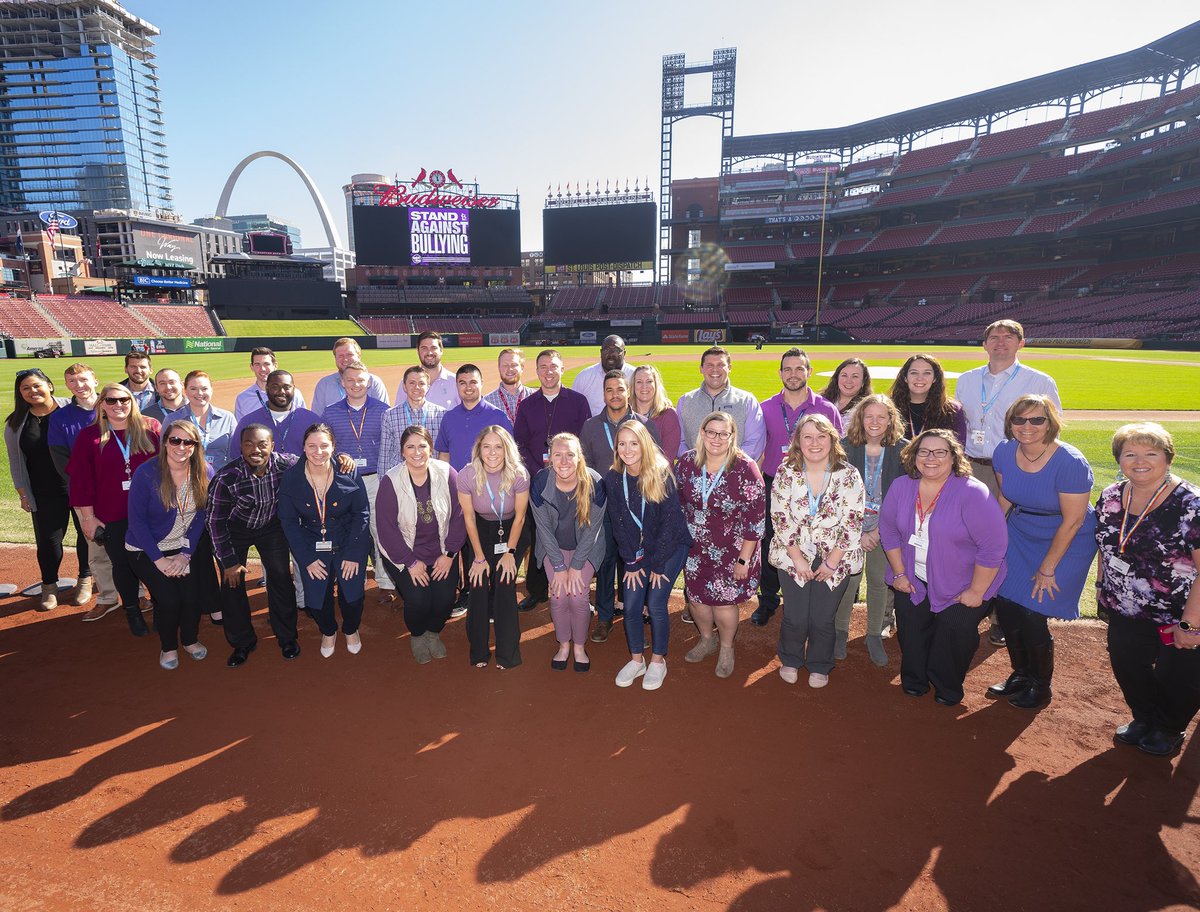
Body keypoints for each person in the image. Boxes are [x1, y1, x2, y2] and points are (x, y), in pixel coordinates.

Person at [879, 429, 1008, 706]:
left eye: (940, 452)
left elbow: (993, 547)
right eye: (924, 451)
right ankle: (914, 678)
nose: (931, 458)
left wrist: (976, 590)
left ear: (953, 457)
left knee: (953, 629)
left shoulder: (972, 492)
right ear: (914, 457)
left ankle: (946, 684)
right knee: (911, 627)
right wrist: (900, 573)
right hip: (914, 575)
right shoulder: (902, 487)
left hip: (965, 581)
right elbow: (888, 531)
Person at [208, 424, 355, 666]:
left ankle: (286, 636)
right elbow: (215, 522)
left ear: (272, 447)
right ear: (240, 447)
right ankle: (242, 642)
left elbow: (317, 458)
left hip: (270, 528)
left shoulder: (286, 464)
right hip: (235, 531)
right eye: (249, 444)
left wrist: (343, 459)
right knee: (232, 583)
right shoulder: (227, 478)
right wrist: (228, 561)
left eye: (262, 444)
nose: (256, 450)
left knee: (280, 578)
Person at [1095, 422, 1200, 757]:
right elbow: (1107, 546)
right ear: (1120, 459)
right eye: (1130, 454)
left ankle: (1170, 727)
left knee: (1178, 675)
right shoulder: (1112, 495)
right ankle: (1144, 717)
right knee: (1127, 663)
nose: (1139, 461)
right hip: (1125, 605)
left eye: (1150, 453)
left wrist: (1191, 624)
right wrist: (1102, 587)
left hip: (1178, 612)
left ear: (1167, 459)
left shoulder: (1190, 505)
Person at [957, 320, 1062, 647]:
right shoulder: (966, 380)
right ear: (984, 343)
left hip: (1015, 470)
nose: (1000, 342)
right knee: (966, 538)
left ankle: (1001, 615)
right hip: (970, 467)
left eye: (1008, 337)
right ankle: (967, 602)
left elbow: (1054, 432)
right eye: (994, 337)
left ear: (1021, 343)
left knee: (1006, 541)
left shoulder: (1039, 381)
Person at [988, 395, 1096, 709]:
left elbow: (1074, 520)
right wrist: (992, 541)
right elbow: (1005, 498)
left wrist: (1047, 567)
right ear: (1010, 423)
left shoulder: (1070, 461)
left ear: (1051, 423)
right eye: (1020, 420)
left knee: (1032, 611)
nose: (1027, 426)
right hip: (1021, 530)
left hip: (1066, 537)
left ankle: (1040, 684)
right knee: (1006, 604)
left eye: (1037, 419)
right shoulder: (1005, 452)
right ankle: (1020, 674)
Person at [769, 414, 865, 688]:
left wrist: (833, 561)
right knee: (796, 616)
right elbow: (780, 516)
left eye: (821, 436)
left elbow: (853, 519)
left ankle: (820, 664)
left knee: (822, 618)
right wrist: (797, 558)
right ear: (798, 441)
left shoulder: (848, 474)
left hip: (835, 556)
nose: (814, 443)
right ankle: (790, 659)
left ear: (832, 440)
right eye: (807, 436)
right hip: (793, 554)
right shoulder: (786, 472)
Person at [752, 347, 844, 629]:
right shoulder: (765, 407)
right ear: (780, 373)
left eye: (799, 368)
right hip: (775, 486)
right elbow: (757, 449)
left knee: (815, 540)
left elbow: (838, 450)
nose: (793, 374)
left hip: (816, 485)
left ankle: (809, 597)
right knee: (772, 541)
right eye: (787, 369)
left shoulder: (826, 408)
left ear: (809, 372)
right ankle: (768, 600)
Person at [67, 382, 162, 636]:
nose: (119, 405)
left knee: (155, 561)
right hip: (112, 514)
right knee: (122, 564)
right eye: (111, 401)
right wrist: (88, 517)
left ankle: (162, 607)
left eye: (124, 400)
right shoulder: (90, 436)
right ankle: (132, 610)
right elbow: (81, 480)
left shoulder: (150, 428)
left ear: (132, 402)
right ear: (102, 405)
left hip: (151, 512)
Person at [676, 411, 766, 679]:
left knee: (724, 603)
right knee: (697, 599)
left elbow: (755, 520)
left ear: (731, 436)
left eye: (723, 433)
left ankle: (726, 647)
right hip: (695, 547)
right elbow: (678, 502)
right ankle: (707, 639)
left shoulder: (744, 468)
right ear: (702, 433)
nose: (716, 438)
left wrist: (744, 559)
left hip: (733, 550)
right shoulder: (686, 463)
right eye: (711, 432)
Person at [605, 421, 691, 690]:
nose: (628, 449)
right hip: (637, 552)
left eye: (634, 443)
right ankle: (636, 659)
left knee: (654, 603)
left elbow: (671, 523)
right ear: (616, 448)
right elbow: (619, 524)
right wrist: (631, 562)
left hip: (670, 547)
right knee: (630, 605)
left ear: (644, 444)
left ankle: (657, 661)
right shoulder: (613, 479)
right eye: (622, 444)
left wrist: (656, 563)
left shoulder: (661, 473)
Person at [125, 420, 215, 670]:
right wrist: (160, 560)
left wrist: (185, 555)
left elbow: (201, 516)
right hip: (146, 550)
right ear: (165, 442)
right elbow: (137, 523)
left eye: (188, 442)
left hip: (182, 548)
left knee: (191, 599)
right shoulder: (146, 473)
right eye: (175, 440)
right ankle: (168, 646)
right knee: (169, 600)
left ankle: (189, 640)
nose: (181, 446)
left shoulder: (204, 471)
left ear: (196, 446)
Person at [580, 370, 662, 643]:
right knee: (605, 564)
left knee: (636, 563)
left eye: (619, 389)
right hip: (604, 509)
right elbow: (587, 469)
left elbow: (655, 465)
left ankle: (634, 615)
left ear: (628, 392)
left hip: (637, 511)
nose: (615, 395)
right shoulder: (591, 426)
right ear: (603, 394)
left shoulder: (644, 425)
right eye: (609, 390)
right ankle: (604, 618)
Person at [278, 423, 371, 659]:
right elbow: (288, 521)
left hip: (348, 540)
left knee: (352, 594)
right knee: (316, 599)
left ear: (333, 447)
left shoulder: (348, 471)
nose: (318, 451)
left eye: (324, 445)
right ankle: (328, 630)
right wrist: (307, 559)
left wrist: (353, 554)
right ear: (303, 448)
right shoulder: (291, 478)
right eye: (312, 446)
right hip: (312, 544)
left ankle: (350, 629)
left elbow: (361, 513)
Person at [376, 426, 466, 664]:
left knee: (446, 598)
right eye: (410, 447)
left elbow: (460, 516)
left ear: (430, 448)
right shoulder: (390, 481)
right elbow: (386, 529)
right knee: (418, 599)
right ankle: (417, 635)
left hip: (441, 551)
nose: (417, 452)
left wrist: (449, 554)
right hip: (403, 552)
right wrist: (410, 562)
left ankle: (433, 633)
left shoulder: (447, 473)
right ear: (402, 452)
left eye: (422, 446)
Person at [512, 349, 591, 612]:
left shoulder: (578, 401)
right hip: (538, 480)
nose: (548, 371)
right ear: (537, 372)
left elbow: (585, 442)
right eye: (543, 367)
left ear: (562, 369)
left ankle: (578, 586)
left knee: (575, 533)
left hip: (572, 480)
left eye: (553, 366)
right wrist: (539, 472)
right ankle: (537, 590)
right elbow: (519, 444)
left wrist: (568, 469)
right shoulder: (527, 404)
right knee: (539, 535)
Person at [834, 394, 909, 666]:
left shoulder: (903, 450)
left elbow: (904, 497)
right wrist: (857, 532)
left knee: (878, 581)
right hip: (850, 528)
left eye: (881, 417)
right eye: (869, 416)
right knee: (850, 580)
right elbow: (837, 495)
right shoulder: (844, 447)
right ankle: (840, 631)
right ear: (860, 419)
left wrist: (876, 532)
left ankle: (874, 634)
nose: (874, 422)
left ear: (891, 420)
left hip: (885, 529)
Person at [530, 433, 607, 672]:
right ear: (550, 458)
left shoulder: (595, 482)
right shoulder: (541, 483)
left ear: (579, 458)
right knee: (558, 595)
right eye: (558, 455)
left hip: (587, 546)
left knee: (577, 595)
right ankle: (564, 644)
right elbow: (543, 530)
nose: (564, 461)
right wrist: (560, 567)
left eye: (570, 455)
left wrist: (575, 566)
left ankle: (579, 647)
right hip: (553, 547)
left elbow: (592, 530)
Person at [457, 427, 530, 669]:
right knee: (477, 583)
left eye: (498, 446)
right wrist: (478, 557)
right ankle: (478, 652)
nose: (492, 452)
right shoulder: (466, 475)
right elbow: (468, 518)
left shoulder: (519, 474)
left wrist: (509, 553)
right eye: (487, 446)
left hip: (512, 530)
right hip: (480, 530)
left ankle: (508, 654)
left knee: (505, 582)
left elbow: (520, 517)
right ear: (478, 449)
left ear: (506, 449)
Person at [321, 360, 391, 599]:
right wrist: (339, 455)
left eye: (360, 380)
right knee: (351, 531)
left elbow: (390, 446)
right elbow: (325, 448)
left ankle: (386, 581)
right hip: (344, 482)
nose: (355, 384)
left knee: (380, 530)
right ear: (342, 383)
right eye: (350, 380)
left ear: (368, 383)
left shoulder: (383, 410)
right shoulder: (330, 412)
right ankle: (354, 580)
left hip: (376, 479)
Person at [5, 368, 71, 610]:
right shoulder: (15, 423)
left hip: (79, 487)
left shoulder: (71, 410)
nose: (33, 391)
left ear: (50, 385)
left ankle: (85, 579)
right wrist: (23, 493)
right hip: (44, 491)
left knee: (89, 539)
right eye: (26, 388)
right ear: (20, 394)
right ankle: (50, 586)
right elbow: (16, 460)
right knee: (48, 542)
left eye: (37, 385)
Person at [48, 362, 110, 612]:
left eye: (83, 380)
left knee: (128, 540)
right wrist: (84, 489)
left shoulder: (112, 406)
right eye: (72, 382)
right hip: (86, 494)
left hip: (117, 490)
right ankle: (102, 590)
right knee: (95, 544)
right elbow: (61, 458)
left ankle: (135, 590)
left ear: (95, 380)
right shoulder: (61, 417)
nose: (79, 386)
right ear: (66, 386)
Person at [676, 346, 765, 461]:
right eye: (709, 365)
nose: (715, 370)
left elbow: (755, 442)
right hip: (695, 472)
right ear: (701, 369)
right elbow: (678, 440)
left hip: (734, 472)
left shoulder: (747, 400)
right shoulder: (685, 401)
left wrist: (731, 464)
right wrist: (694, 463)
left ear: (729, 368)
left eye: (720, 365)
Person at [435, 364, 511, 470]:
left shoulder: (498, 417)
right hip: (457, 484)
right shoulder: (449, 418)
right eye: (462, 383)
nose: (468, 387)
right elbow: (444, 454)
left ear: (482, 383)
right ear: (456, 385)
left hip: (490, 484)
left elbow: (510, 455)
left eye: (473, 382)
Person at [232, 370, 323, 458]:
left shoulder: (312, 420)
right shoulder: (248, 422)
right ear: (267, 388)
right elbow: (235, 457)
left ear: (294, 389)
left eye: (287, 387)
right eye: (275, 387)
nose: (281, 391)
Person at [379, 365, 446, 475]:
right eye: (412, 383)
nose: (417, 387)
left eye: (421, 383)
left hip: (432, 476)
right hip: (400, 477)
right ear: (404, 386)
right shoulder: (390, 415)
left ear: (428, 387)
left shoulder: (441, 414)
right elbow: (385, 454)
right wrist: (384, 482)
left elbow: (444, 452)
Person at [888, 354, 967, 446]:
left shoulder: (952, 411)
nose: (920, 378)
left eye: (927, 373)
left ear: (935, 378)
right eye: (914, 372)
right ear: (905, 377)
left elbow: (958, 448)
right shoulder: (888, 408)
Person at [167, 371, 237, 470]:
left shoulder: (228, 418)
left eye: (204, 389)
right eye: (193, 389)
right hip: (184, 480)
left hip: (219, 481)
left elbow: (234, 455)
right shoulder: (172, 419)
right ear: (185, 391)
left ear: (211, 390)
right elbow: (165, 453)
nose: (199, 393)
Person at [309, 337, 390, 415]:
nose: (345, 359)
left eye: (349, 354)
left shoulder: (374, 382)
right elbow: (317, 419)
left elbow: (385, 415)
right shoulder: (324, 384)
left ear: (359, 356)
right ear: (335, 358)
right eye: (340, 355)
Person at [234, 347, 308, 420]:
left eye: (266, 364)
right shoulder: (243, 398)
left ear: (275, 365)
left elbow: (304, 421)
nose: (262, 369)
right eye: (257, 364)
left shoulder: (294, 394)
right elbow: (241, 429)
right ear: (252, 367)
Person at [572, 334, 636, 417]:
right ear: (601, 352)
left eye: (616, 350)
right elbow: (574, 410)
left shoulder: (636, 376)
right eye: (606, 349)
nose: (611, 354)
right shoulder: (584, 377)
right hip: (594, 429)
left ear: (624, 353)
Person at [631, 364, 682, 461]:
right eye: (639, 382)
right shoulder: (627, 414)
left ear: (656, 384)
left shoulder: (668, 415)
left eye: (649, 381)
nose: (644, 386)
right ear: (633, 386)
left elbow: (668, 456)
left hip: (659, 474)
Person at [413, 331, 461, 411]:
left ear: (441, 350)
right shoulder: (407, 383)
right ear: (418, 351)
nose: (429, 353)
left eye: (433, 348)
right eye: (424, 348)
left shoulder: (456, 382)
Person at [484, 347, 532, 425]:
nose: (510, 369)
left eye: (514, 365)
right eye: (505, 365)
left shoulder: (536, 398)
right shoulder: (487, 402)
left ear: (522, 367)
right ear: (499, 368)